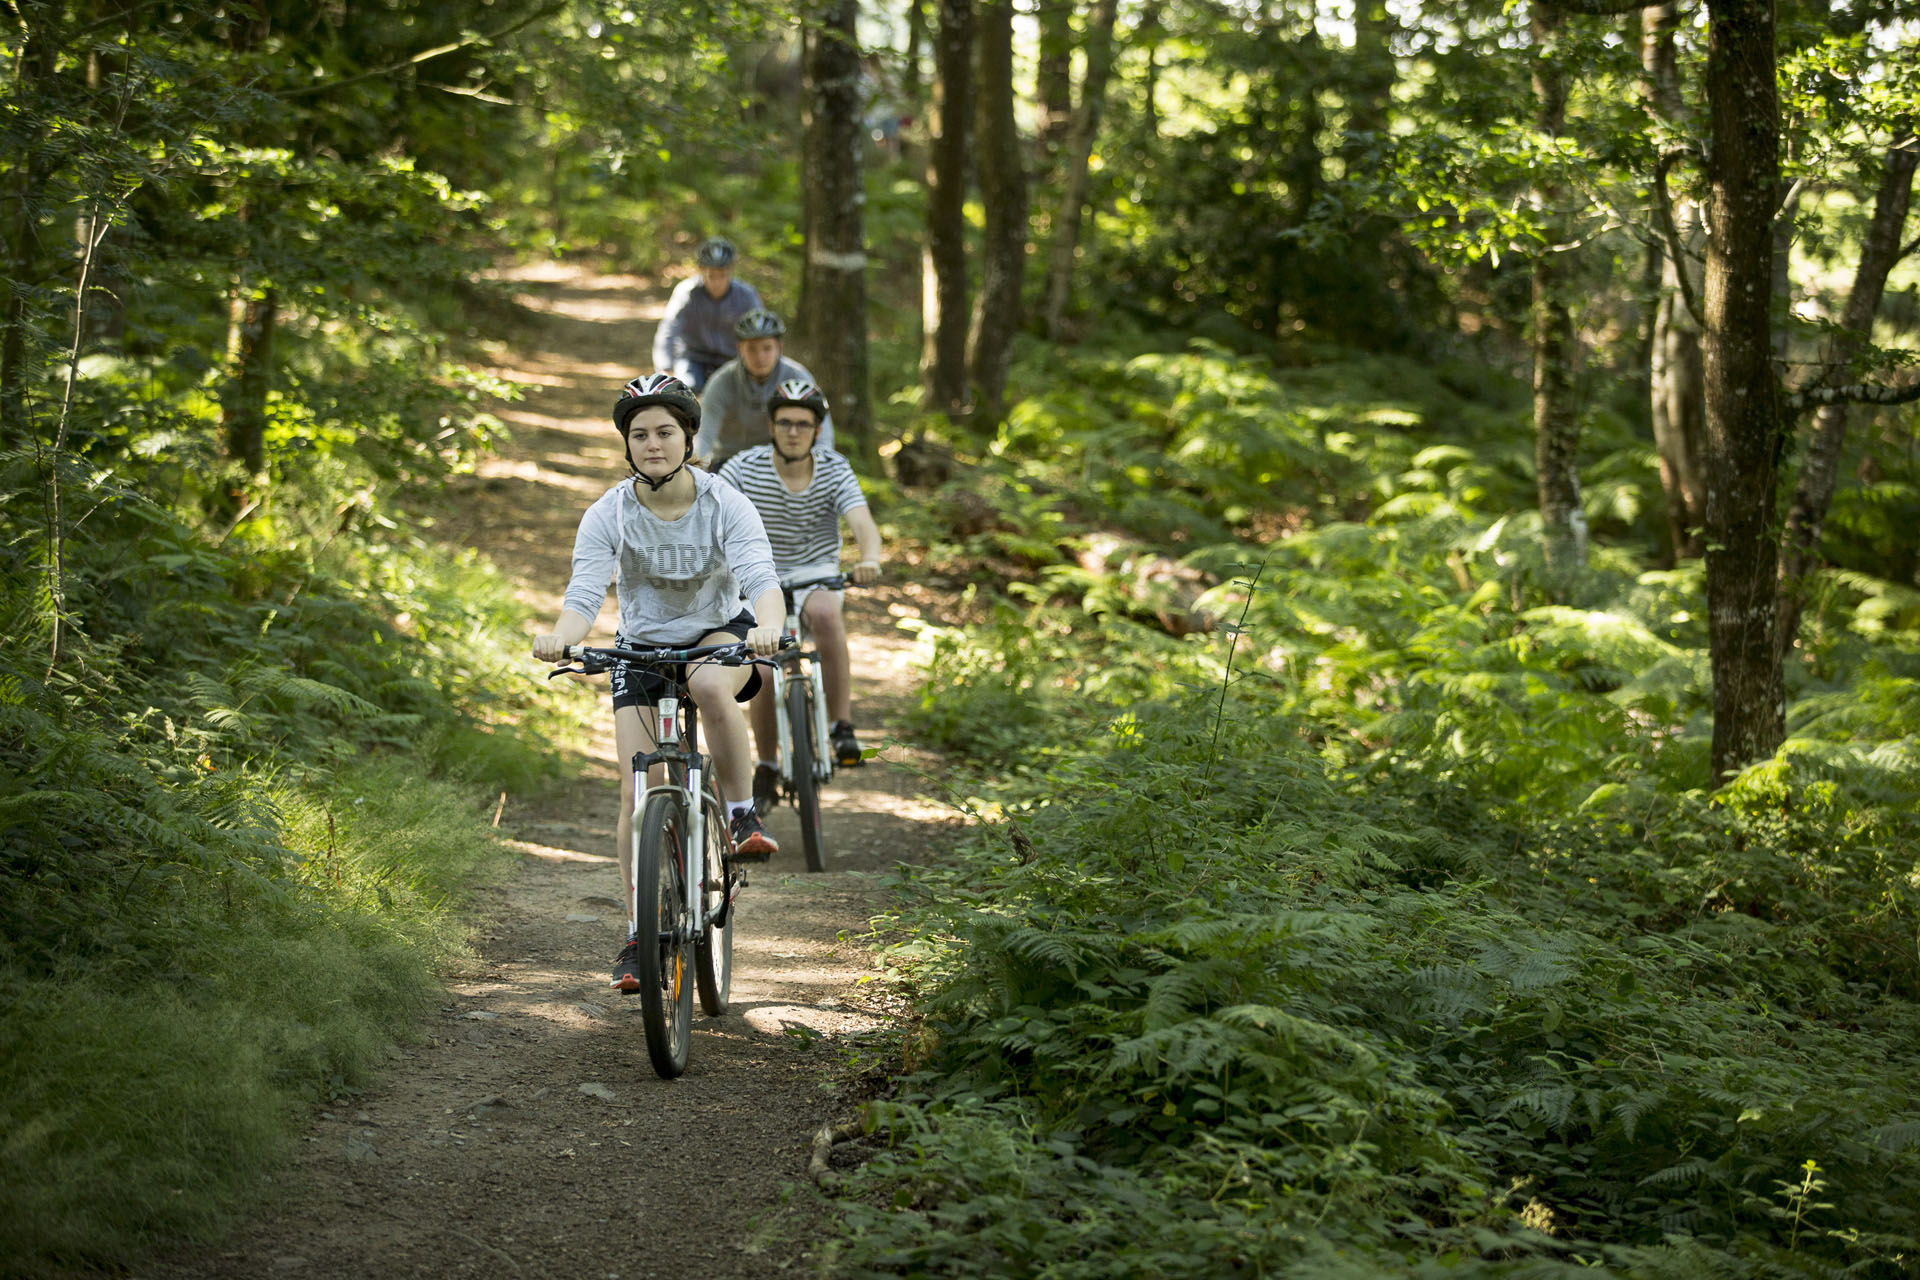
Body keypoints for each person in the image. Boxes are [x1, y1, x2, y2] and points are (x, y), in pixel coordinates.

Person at [531, 373, 785, 993]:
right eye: (639, 434)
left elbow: (761, 578)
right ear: (626, 445)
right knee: (637, 792)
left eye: (665, 432)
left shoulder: (725, 501)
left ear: (688, 437)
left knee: (706, 683)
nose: (653, 444)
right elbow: (584, 594)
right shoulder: (608, 512)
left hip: (720, 634)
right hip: (642, 649)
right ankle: (640, 932)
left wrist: (769, 629)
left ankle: (742, 814)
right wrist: (562, 634)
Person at [715, 379, 882, 812]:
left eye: (803, 424)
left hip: (815, 572)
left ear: (817, 430)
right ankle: (767, 764)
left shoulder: (834, 467)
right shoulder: (744, 466)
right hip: (755, 576)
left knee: (826, 614)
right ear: (771, 426)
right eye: (785, 422)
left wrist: (871, 557)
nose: (793, 432)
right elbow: (710, 507)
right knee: (764, 669)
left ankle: (841, 726)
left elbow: (861, 520)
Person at [694, 307, 836, 470]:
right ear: (740, 349)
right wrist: (698, 473)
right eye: (752, 349)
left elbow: (822, 430)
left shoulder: (798, 377)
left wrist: (823, 470)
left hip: (779, 460)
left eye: (767, 348)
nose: (760, 357)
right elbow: (703, 435)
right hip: (728, 459)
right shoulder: (721, 382)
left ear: (779, 348)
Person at [651, 237, 764, 390]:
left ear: (731, 270)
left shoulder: (746, 295)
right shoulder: (686, 292)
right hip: (692, 357)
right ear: (701, 270)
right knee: (685, 390)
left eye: (722, 275)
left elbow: (760, 333)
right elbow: (668, 330)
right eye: (711, 275)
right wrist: (665, 367)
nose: (716, 282)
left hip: (731, 359)